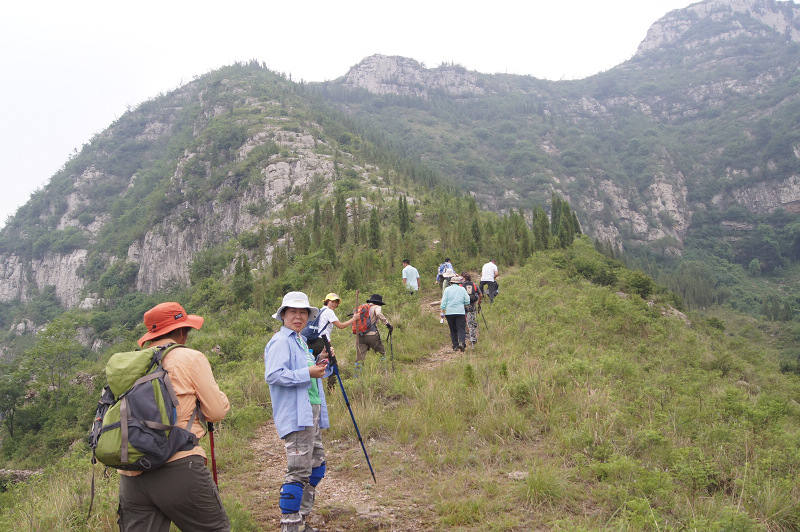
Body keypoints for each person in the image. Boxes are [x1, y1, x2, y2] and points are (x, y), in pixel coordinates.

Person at [118, 302, 231, 532]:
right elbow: (216, 411)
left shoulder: (130, 365)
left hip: (132, 475)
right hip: (179, 465)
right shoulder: (190, 358)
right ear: (180, 332)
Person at [264, 291, 334, 532]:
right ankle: (291, 526)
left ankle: (300, 520)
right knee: (298, 472)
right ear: (283, 315)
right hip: (296, 414)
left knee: (316, 466)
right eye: (292, 312)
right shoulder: (280, 341)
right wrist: (308, 372)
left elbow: (309, 373)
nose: (298, 316)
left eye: (303, 312)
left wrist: (321, 360)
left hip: (310, 410)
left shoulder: (300, 341)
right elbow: (273, 375)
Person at [354, 294, 393, 377]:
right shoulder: (377, 307)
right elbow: (378, 313)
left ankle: (356, 377)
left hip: (360, 335)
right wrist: (387, 323)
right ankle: (384, 373)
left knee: (360, 358)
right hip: (372, 335)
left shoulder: (363, 308)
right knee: (382, 353)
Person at [306, 293, 355, 358]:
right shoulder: (329, 311)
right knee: (330, 362)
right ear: (327, 301)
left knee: (314, 361)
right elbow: (341, 326)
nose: (334, 304)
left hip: (311, 341)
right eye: (332, 301)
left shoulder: (319, 311)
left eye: (336, 302)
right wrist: (354, 319)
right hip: (322, 342)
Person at [440, 275, 470, 352]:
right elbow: (467, 301)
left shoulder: (447, 290)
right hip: (460, 312)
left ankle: (455, 346)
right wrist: (462, 303)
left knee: (453, 330)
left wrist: (442, 311)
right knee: (461, 329)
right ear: (459, 283)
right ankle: (462, 342)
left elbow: (444, 302)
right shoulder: (462, 289)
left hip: (449, 312)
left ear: (451, 283)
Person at [460, 272, 482, 346]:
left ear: (464, 279)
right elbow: (480, 294)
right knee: (471, 321)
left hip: (463, 306)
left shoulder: (461, 286)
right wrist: (479, 301)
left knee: (463, 320)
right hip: (472, 305)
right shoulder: (474, 285)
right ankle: (473, 338)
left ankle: (464, 335)